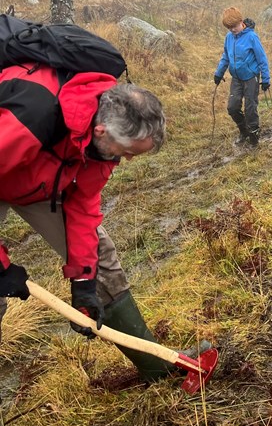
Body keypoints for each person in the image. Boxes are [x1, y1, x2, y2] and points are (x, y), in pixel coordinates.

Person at [0, 61, 202, 381]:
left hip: (36, 178)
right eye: (128, 151)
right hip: (10, 161)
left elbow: (81, 208)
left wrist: (83, 285)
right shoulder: (28, 120)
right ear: (100, 131)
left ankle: (156, 368)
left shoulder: (103, 148)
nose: (129, 160)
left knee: (99, 258)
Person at [213, 7, 270, 147]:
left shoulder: (252, 37)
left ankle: (254, 137)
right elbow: (226, 56)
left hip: (251, 77)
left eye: (234, 26)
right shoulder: (229, 38)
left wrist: (266, 79)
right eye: (229, 27)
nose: (232, 29)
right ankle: (244, 131)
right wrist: (219, 73)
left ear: (241, 21)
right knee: (232, 108)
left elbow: (262, 58)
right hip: (236, 78)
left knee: (250, 108)